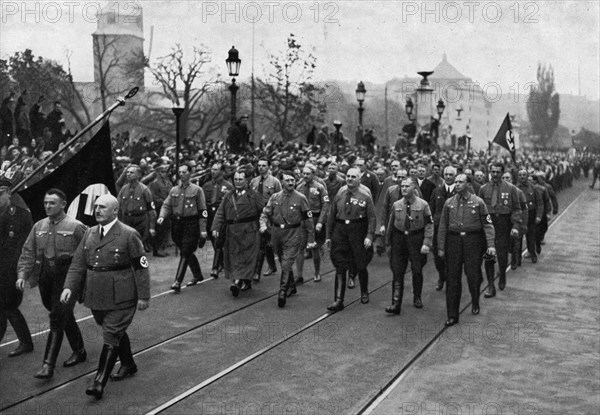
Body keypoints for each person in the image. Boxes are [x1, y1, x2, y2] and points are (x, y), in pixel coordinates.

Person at [60, 194, 150, 400]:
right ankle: (128, 364)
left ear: (115, 211)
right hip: (96, 295)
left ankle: (99, 382)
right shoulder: (90, 233)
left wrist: (144, 296)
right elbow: (78, 264)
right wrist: (68, 287)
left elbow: (141, 267)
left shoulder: (129, 234)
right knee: (112, 330)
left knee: (110, 334)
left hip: (122, 296)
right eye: (96, 207)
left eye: (102, 207)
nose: (97, 210)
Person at [16, 189, 87, 379]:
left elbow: (87, 254)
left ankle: (48, 365)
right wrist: (22, 274)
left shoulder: (76, 226)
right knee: (59, 312)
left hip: (68, 277)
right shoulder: (39, 226)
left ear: (63, 204)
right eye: (46, 203)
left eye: (52, 203)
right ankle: (79, 350)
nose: (48, 206)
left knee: (57, 317)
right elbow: (28, 252)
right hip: (46, 276)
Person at [438, 174, 496, 327]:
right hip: (454, 241)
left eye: (460, 182)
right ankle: (452, 315)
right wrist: (441, 247)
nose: (456, 184)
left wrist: (490, 245)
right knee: (452, 279)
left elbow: (488, 225)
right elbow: (443, 226)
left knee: (473, 275)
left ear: (468, 184)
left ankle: (475, 299)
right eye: (455, 182)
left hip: (473, 241)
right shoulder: (449, 203)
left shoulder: (478, 202)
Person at [260, 173, 316, 308]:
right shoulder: (275, 197)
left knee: (286, 263)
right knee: (282, 260)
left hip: (294, 233)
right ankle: (291, 286)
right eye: (287, 180)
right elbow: (265, 213)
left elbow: (308, 220)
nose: (290, 182)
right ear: (282, 182)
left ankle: (282, 292)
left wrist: (311, 239)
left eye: (293, 180)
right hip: (277, 234)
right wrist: (263, 225)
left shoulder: (301, 198)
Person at [325, 168, 376, 311]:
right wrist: (329, 236)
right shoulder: (340, 193)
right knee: (340, 265)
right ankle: (338, 300)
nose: (350, 179)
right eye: (348, 176)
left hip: (358, 230)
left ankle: (364, 292)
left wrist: (369, 236)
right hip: (341, 230)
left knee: (360, 264)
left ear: (359, 179)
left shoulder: (365, 195)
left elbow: (371, 218)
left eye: (353, 177)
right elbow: (332, 215)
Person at [384, 179, 433, 315]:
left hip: (416, 238)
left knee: (417, 269)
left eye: (407, 186)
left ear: (414, 187)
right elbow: (391, 224)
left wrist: (426, 243)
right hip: (399, 238)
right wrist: (388, 242)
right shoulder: (396, 204)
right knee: (397, 271)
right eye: (402, 186)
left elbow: (429, 224)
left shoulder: (423, 205)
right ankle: (395, 303)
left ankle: (417, 296)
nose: (404, 189)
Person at [212, 170, 263, 297]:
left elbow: (264, 211)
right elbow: (220, 213)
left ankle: (238, 282)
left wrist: (264, 225)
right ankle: (242, 280)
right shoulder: (228, 196)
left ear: (246, 180)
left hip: (249, 231)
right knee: (234, 257)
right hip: (233, 232)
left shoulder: (254, 195)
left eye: (240, 179)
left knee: (247, 257)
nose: (238, 182)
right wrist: (216, 227)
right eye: (235, 179)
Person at [157, 163, 208, 291]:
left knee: (185, 251)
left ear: (190, 173)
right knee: (186, 250)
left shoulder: (197, 190)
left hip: (191, 224)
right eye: (180, 172)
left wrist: (203, 230)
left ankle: (177, 281)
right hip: (177, 224)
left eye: (184, 172)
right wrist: (162, 216)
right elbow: (166, 205)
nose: (181, 174)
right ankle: (197, 275)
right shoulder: (174, 190)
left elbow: (203, 211)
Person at [0, 178, 34, 357]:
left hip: (11, 268)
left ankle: (26, 342)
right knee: (4, 306)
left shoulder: (19, 214)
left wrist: (19, 271)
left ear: (9, 193)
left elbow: (22, 245)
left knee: (9, 305)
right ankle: (25, 342)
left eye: (1, 192)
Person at [478, 163, 522, 297]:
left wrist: (515, 226)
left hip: (504, 224)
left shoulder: (511, 189)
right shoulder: (483, 189)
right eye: (493, 172)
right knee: (489, 255)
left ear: (502, 173)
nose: (495, 174)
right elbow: (479, 209)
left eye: (498, 172)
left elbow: (517, 209)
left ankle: (502, 274)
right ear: (489, 172)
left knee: (502, 255)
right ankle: (491, 286)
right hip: (489, 223)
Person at [295, 164, 329, 283]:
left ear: (313, 174)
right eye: (303, 173)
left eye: (308, 174)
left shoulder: (320, 187)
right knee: (300, 247)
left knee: (314, 247)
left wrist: (320, 222)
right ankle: (299, 275)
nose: (305, 176)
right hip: (302, 220)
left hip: (315, 219)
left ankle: (317, 273)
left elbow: (325, 205)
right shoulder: (299, 187)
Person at [250, 158, 281, 281]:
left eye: (264, 165)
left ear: (269, 167)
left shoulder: (275, 182)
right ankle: (271, 266)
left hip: (269, 215)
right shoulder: (254, 181)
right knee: (263, 242)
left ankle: (257, 272)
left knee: (263, 243)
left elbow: (279, 199)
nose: (261, 167)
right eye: (259, 165)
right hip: (255, 214)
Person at [117, 165, 157, 253]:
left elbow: (151, 210)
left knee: (138, 246)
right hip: (126, 220)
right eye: (127, 172)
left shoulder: (144, 190)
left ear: (138, 175)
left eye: (131, 172)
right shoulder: (123, 189)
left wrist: (152, 227)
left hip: (140, 221)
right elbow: (118, 207)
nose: (128, 174)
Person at [203, 162, 233, 278]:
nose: (213, 171)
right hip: (210, 215)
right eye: (212, 169)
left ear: (222, 171)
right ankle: (222, 262)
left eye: (216, 169)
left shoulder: (228, 186)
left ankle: (215, 267)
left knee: (218, 240)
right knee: (213, 240)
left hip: (221, 216)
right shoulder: (206, 186)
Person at [429, 166, 457, 291]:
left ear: (455, 176)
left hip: (453, 230)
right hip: (438, 229)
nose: (448, 177)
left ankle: (451, 280)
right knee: (437, 256)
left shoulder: (459, 191)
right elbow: (431, 210)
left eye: (451, 174)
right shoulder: (437, 191)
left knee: (452, 257)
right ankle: (442, 276)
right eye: (446, 174)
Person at [516, 169, 543, 263]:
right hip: (519, 216)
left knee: (531, 237)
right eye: (520, 175)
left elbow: (539, 203)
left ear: (527, 176)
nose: (522, 176)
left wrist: (539, 216)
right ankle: (517, 259)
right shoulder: (514, 188)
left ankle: (532, 254)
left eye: (524, 175)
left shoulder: (534, 188)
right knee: (518, 238)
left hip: (531, 215)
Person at [147, 162, 173, 257]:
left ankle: (162, 247)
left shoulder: (168, 182)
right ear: (158, 172)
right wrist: (163, 201)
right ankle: (157, 249)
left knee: (165, 229)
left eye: (166, 172)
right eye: (162, 172)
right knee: (159, 230)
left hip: (167, 209)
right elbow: (152, 196)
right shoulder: (154, 184)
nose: (164, 174)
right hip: (158, 209)